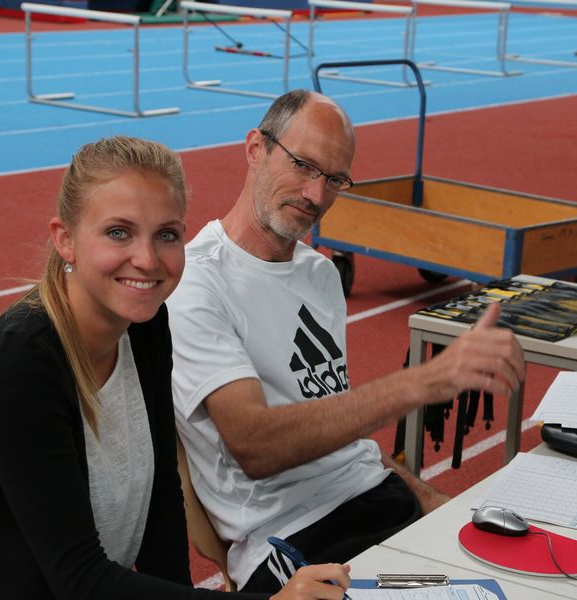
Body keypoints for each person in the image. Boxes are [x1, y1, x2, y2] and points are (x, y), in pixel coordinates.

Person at [0, 136, 350, 600]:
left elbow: (162, 493)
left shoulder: (144, 324)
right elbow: (79, 578)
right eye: (119, 232)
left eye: (167, 235)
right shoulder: (19, 368)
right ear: (65, 239)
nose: (147, 260)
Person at [168, 90, 526, 593]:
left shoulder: (320, 275)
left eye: (335, 179)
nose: (316, 195)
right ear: (255, 149)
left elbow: (340, 431)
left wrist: (428, 499)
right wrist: (424, 382)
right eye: (303, 165)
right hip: (297, 541)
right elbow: (256, 446)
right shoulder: (195, 284)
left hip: (381, 499)